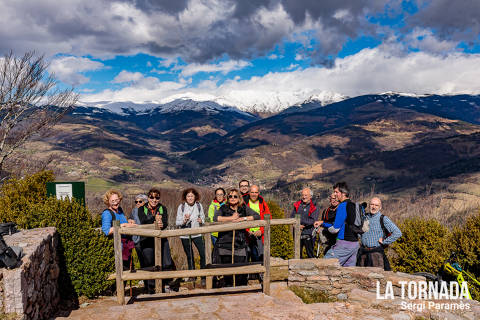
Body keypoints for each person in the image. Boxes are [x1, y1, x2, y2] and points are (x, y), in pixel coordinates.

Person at [214, 188, 260, 286]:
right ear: (227, 198)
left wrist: (242, 219)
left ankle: (240, 291)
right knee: (227, 271)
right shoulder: (223, 208)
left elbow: (257, 216)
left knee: (240, 270)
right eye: (230, 196)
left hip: (239, 244)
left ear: (239, 198)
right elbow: (216, 218)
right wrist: (231, 219)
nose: (233, 198)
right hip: (225, 244)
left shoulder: (243, 208)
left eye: (235, 196)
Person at [137, 188, 176, 293]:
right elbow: (143, 222)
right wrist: (155, 220)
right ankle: (151, 288)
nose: (154, 200)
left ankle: (164, 285)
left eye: (157, 197)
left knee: (166, 262)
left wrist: (161, 224)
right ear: (148, 198)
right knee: (150, 263)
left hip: (161, 239)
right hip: (146, 240)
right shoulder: (142, 209)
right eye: (152, 197)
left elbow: (165, 222)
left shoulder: (163, 208)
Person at [357, 197, 402, 270]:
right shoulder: (364, 217)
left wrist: (385, 242)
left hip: (376, 254)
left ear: (380, 207)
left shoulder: (383, 218)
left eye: (376, 205)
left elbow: (397, 233)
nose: (373, 207)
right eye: (372, 204)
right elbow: (360, 232)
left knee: (377, 278)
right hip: (363, 253)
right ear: (369, 205)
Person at [323, 182, 360, 267]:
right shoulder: (353, 205)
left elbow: (335, 229)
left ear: (343, 194)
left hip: (344, 243)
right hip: (354, 244)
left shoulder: (342, 205)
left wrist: (325, 226)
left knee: (325, 265)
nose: (335, 194)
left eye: (336, 192)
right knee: (348, 272)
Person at [101, 189, 136, 270]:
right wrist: (123, 225)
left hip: (126, 246)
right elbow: (106, 231)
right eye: (112, 201)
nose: (115, 202)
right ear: (108, 202)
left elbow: (121, 222)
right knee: (121, 272)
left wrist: (129, 222)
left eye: (117, 200)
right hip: (116, 248)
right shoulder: (107, 213)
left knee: (127, 270)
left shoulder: (120, 211)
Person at [175, 188, 206, 281]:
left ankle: (204, 275)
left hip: (197, 233)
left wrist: (202, 221)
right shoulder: (181, 207)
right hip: (185, 234)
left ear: (195, 196)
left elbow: (203, 217)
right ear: (185, 197)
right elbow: (177, 222)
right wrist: (184, 220)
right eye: (188, 196)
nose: (190, 198)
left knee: (203, 254)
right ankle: (192, 276)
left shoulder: (199, 205)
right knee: (190, 255)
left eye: (192, 196)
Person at [243, 185, 270, 262]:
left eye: (256, 192)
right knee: (247, 256)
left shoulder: (262, 203)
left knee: (259, 256)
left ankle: (259, 274)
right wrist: (247, 230)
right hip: (247, 234)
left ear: (259, 193)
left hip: (259, 235)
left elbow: (268, 217)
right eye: (252, 192)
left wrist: (261, 231)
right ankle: (247, 274)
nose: (254, 194)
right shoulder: (244, 202)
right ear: (249, 193)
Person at [291, 188, 319, 258]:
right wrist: (295, 225)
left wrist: (299, 221)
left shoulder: (314, 206)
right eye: (302, 195)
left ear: (310, 196)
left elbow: (312, 220)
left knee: (310, 254)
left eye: (306, 195)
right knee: (297, 255)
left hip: (309, 234)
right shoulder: (297, 205)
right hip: (297, 233)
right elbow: (292, 217)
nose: (304, 197)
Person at [131, 194, 148, 270]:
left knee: (148, 259)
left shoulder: (148, 210)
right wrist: (129, 220)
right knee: (141, 260)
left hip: (146, 238)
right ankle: (145, 280)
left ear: (145, 202)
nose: (138, 203)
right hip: (136, 239)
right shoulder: (134, 211)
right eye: (136, 201)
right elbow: (130, 218)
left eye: (140, 201)